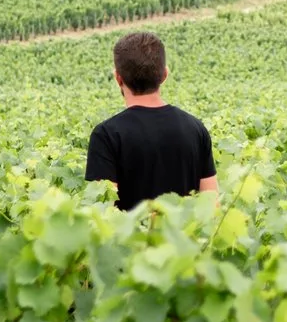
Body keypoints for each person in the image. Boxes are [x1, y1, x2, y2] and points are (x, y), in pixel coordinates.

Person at [84, 31, 217, 210]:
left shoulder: (107, 135)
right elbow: (211, 206)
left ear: (118, 78)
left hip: (130, 239)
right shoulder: (195, 128)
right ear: (165, 75)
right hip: (185, 238)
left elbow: (103, 211)